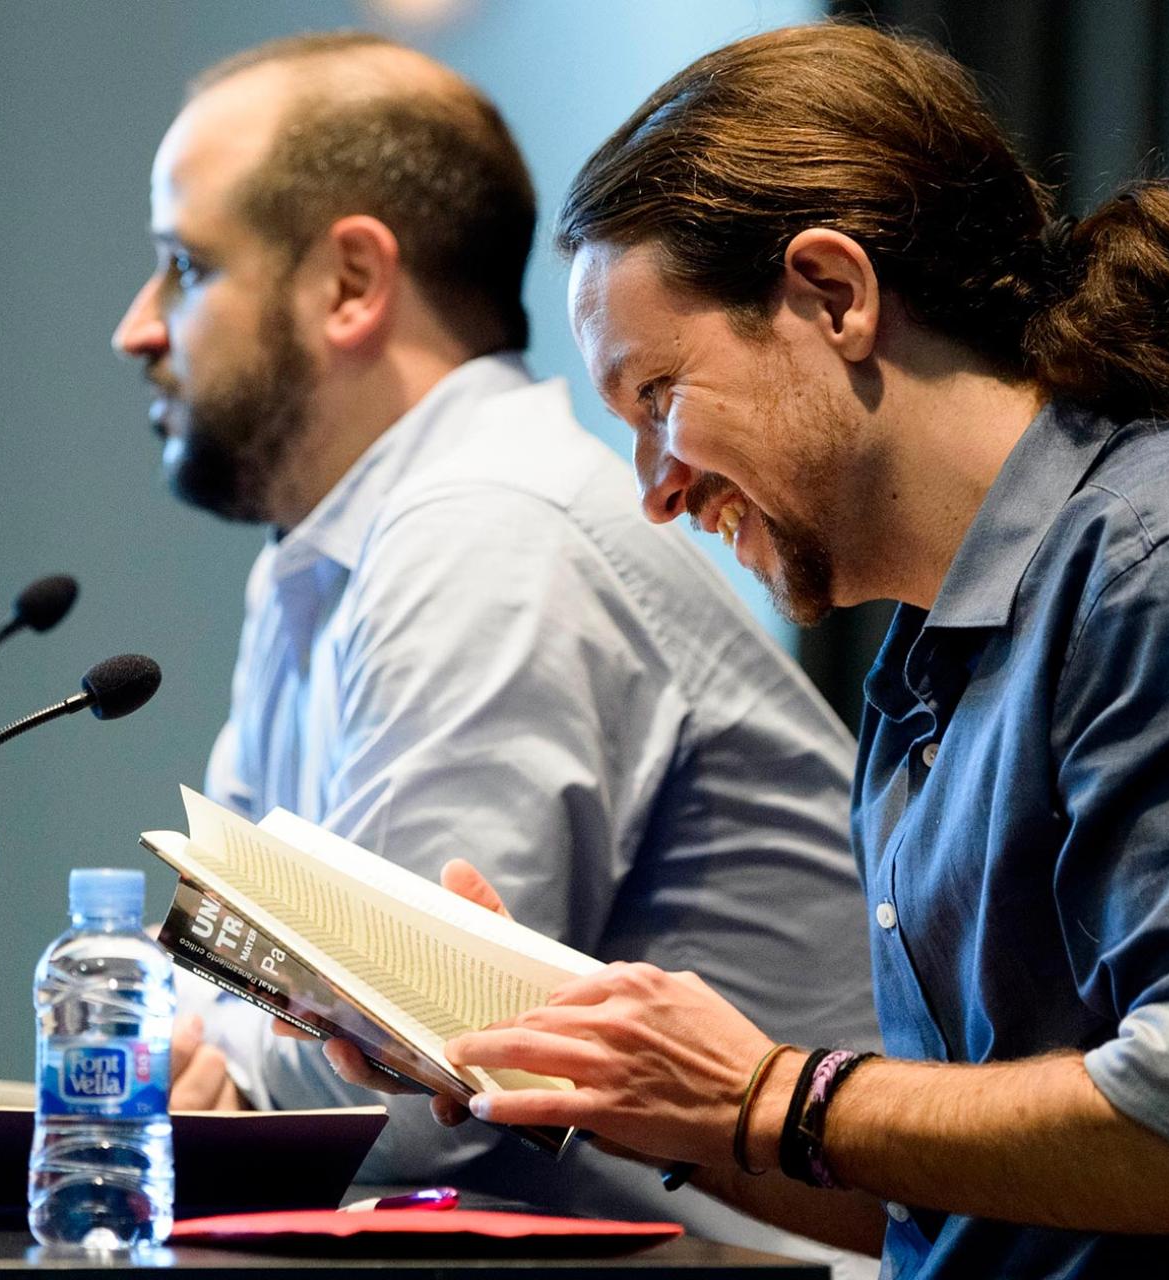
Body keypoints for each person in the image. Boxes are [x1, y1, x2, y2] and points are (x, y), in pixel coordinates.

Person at [327, 21, 1169, 1279]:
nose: (654, 489)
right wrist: (603, 1077)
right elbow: (952, 1205)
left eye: (658, 398)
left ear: (833, 294)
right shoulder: (928, 671)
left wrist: (774, 1089)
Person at [109, 30, 879, 1262]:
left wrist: (178, 1057)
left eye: (182, 266)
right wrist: (199, 1047)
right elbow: (244, 985)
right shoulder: (322, 557)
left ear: (353, 283)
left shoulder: (486, 528)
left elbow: (422, 1099)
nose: (136, 327)